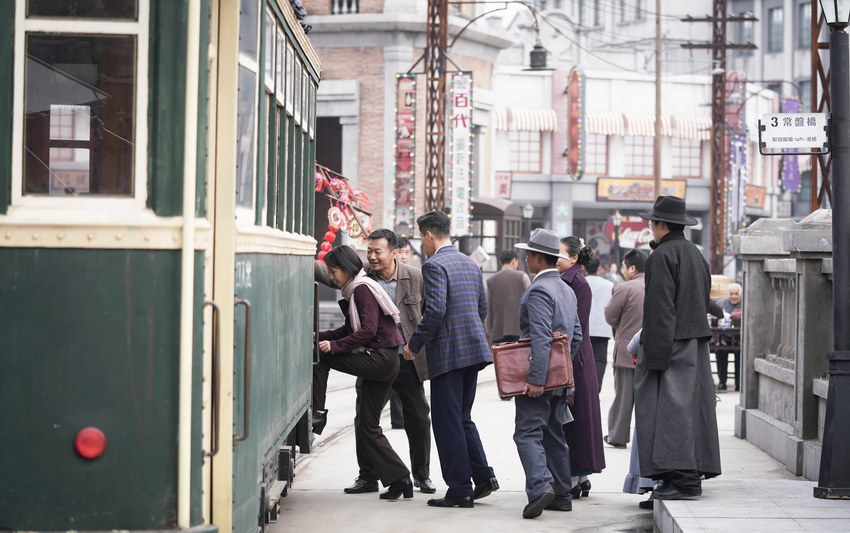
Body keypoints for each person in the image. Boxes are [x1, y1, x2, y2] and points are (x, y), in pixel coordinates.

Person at [314, 230, 436, 495]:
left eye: (377, 251)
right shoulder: (362, 279)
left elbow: (429, 314)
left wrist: (417, 346)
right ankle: (369, 476)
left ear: (394, 252)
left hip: (406, 357)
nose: (372, 256)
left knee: (417, 416)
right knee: (365, 420)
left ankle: (421, 475)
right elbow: (330, 275)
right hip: (375, 356)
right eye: (369, 251)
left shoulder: (415, 277)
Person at [404, 211, 498, 509]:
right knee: (462, 417)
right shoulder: (470, 264)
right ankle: (483, 477)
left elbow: (434, 312)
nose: (423, 244)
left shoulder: (434, 266)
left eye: (422, 238)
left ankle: (459, 488)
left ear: (429, 235)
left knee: (447, 422)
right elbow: (482, 307)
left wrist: (414, 345)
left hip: (448, 354)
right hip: (473, 350)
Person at [635, 195, 721, 502]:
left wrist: (654, 358)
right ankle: (687, 475)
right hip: (695, 343)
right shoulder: (695, 254)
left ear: (660, 225)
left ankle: (682, 480)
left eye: (651, 223)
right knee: (691, 410)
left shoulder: (661, 256)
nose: (650, 228)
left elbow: (660, 311)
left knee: (667, 411)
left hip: (671, 343)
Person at [512, 228, 584, 518]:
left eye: (529, 254)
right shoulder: (566, 288)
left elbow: (540, 337)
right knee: (554, 434)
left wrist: (537, 378)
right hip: (559, 378)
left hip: (539, 378)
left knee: (527, 433)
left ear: (538, 258)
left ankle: (541, 486)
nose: (526, 258)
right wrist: (561, 369)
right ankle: (562, 493)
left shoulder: (540, 289)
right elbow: (576, 336)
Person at [556, 236, 606, 499]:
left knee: (573, 422)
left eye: (560, 253)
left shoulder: (574, 282)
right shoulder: (573, 279)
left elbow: (572, 329)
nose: (556, 257)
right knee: (576, 420)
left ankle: (574, 478)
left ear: (574, 257)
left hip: (575, 358)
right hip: (578, 355)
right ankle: (580, 477)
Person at [603, 248, 647, 448]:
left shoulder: (625, 288)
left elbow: (611, 316)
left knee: (623, 398)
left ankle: (618, 436)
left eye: (623, 266)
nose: (622, 270)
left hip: (627, 351)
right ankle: (647, 438)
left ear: (632, 268)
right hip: (653, 351)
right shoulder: (659, 285)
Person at [485, 249, 531, 344]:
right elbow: (531, 301)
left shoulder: (490, 280)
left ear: (500, 262)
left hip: (498, 331)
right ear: (514, 261)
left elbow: (488, 307)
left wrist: (489, 329)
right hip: (520, 330)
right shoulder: (522, 276)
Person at [584, 257, 614, 390]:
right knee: (600, 360)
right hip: (602, 328)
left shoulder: (581, 282)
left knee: (584, 359)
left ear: (584, 268)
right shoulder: (609, 285)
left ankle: (585, 386)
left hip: (585, 327)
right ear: (599, 268)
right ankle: (596, 388)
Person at [715, 283, 742, 391]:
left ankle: (739, 383)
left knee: (740, 353)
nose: (734, 296)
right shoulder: (721, 304)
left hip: (739, 338)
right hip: (724, 337)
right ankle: (722, 382)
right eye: (731, 294)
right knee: (721, 351)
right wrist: (717, 340)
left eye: (736, 293)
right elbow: (714, 323)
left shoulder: (745, 304)